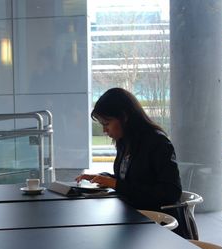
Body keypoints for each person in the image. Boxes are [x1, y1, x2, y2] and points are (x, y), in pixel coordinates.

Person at [76, 87, 183, 232]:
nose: (104, 130)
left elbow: (170, 192)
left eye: (106, 124)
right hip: (135, 221)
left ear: (124, 117)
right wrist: (104, 178)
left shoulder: (157, 142)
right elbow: (132, 181)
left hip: (158, 226)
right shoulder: (125, 142)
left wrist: (116, 184)